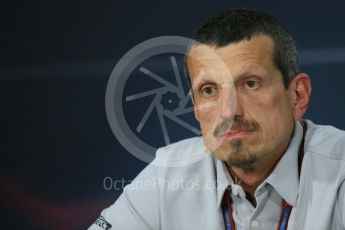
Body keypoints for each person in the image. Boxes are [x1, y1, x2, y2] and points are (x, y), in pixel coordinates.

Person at [89, 8, 345, 230]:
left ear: (297, 96)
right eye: (209, 90)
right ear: (196, 108)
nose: (228, 111)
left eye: (250, 84)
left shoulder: (340, 171)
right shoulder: (167, 175)